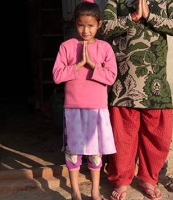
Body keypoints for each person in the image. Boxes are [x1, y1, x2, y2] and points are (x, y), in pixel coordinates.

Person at [101, 0, 173, 199]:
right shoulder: (116, 1)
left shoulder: (168, 2)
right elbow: (104, 27)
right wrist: (133, 17)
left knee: (158, 137)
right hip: (123, 87)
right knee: (122, 138)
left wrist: (149, 16)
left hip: (156, 86)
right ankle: (121, 181)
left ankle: (148, 179)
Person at [52, 1, 117, 200]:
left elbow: (111, 77)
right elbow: (56, 75)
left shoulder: (105, 48)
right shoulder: (67, 47)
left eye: (90, 25)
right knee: (73, 153)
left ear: (99, 24)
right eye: (81, 25)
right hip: (73, 109)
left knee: (95, 152)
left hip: (97, 109)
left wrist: (93, 65)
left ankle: (95, 192)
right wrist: (78, 65)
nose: (86, 30)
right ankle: (75, 193)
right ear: (75, 24)